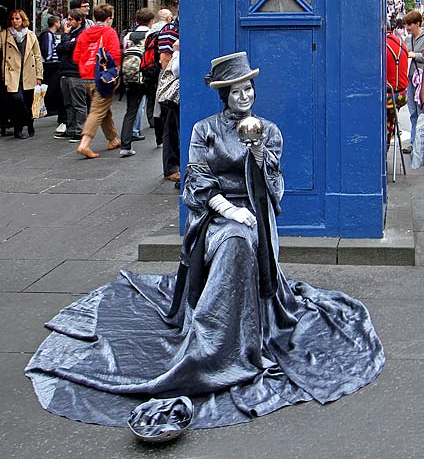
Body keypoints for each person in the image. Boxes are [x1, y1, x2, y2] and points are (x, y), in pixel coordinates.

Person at [26, 51, 384, 432]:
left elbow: (274, 185)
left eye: (248, 89)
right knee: (235, 239)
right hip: (214, 216)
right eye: (236, 91)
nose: (244, 97)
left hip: (257, 213)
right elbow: (195, 182)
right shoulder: (204, 130)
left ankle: (232, 337)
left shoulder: (268, 130)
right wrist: (229, 210)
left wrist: (259, 153)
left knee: (245, 238)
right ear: (223, 95)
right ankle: (214, 343)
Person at [72, 3, 121, 159]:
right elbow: (115, 55)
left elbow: (76, 57)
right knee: (97, 110)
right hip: (102, 77)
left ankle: (113, 139)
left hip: (86, 76)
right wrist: (117, 75)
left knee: (102, 107)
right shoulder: (109, 32)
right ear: (108, 18)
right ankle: (84, 144)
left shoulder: (85, 33)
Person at [0, 10, 43, 138]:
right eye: (12, 19)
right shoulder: (4, 34)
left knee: (28, 102)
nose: (15, 21)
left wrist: (39, 76)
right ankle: (19, 128)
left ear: (23, 19)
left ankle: (28, 123)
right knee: (17, 100)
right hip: (11, 73)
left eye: (17, 18)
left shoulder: (31, 35)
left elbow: (37, 56)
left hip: (28, 73)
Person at [119, 8, 155, 157]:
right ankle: (160, 139)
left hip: (131, 76)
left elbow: (124, 52)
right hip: (147, 75)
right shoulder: (151, 35)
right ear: (151, 21)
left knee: (130, 111)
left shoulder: (128, 36)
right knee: (155, 106)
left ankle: (125, 146)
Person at [56, 9, 88, 143]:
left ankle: (80, 131)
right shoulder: (70, 34)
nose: (67, 22)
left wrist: (65, 37)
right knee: (68, 103)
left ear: (79, 20)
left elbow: (69, 48)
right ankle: (71, 128)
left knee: (78, 103)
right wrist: (65, 42)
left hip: (76, 72)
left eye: (70, 19)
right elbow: (59, 49)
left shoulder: (82, 34)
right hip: (65, 71)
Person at [38, 15, 67, 138]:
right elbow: (48, 52)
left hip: (53, 66)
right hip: (51, 67)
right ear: (55, 23)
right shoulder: (48, 35)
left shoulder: (49, 34)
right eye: (59, 21)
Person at [157, 38, 180, 180]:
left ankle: (171, 168)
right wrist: (177, 52)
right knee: (172, 129)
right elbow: (175, 69)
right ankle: (171, 169)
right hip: (175, 93)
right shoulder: (174, 33)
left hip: (173, 93)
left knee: (170, 129)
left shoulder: (169, 29)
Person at [403, 10, 424, 153]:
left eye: (409, 24)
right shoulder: (406, 39)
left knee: (420, 110)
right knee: (412, 112)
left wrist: (414, 55)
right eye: (406, 24)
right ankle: (413, 143)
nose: (407, 27)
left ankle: (420, 143)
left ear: (417, 23)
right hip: (410, 79)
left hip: (422, 80)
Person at [386, 30, 408, 149]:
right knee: (390, 119)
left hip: (389, 96)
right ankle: (390, 132)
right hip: (402, 95)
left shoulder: (381, 45)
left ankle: (384, 144)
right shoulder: (401, 44)